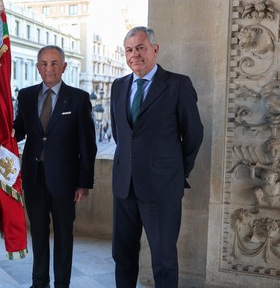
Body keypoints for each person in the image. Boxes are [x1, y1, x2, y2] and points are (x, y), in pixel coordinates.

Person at [110, 26, 204, 288]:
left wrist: (175, 171)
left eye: (140, 47)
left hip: (162, 188)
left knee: (163, 260)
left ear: (155, 49)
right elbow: (121, 135)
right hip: (124, 187)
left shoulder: (177, 85)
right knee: (123, 256)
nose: (134, 55)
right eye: (129, 50)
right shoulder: (118, 87)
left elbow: (194, 134)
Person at [13, 45, 97, 288]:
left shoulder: (79, 98)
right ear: (38, 67)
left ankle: (62, 284)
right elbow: (20, 129)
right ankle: (39, 283)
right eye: (44, 64)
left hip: (65, 180)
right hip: (34, 177)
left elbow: (87, 144)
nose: (49, 69)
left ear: (64, 67)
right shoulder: (26, 96)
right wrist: (3, 130)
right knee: (38, 234)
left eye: (54, 63)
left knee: (63, 236)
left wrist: (84, 182)